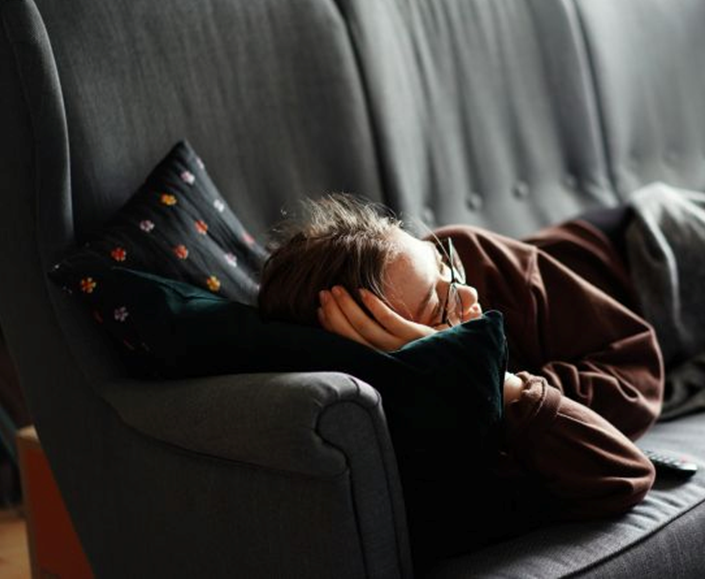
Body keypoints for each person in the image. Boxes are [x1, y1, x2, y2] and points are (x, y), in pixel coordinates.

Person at [257, 192, 664, 529]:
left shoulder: (470, 254)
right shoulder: (430, 427)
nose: (467, 294)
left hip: (644, 245)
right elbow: (626, 474)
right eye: (440, 306)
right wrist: (490, 379)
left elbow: (637, 370)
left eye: (443, 264)